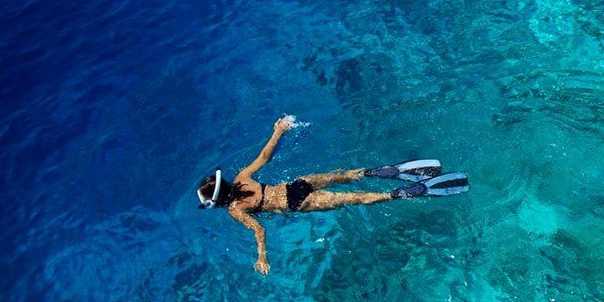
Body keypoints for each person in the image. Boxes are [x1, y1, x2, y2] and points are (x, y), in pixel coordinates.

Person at [196, 116, 468, 276]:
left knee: (354, 199)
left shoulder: (235, 210)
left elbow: (259, 230)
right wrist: (278, 130)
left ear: (217, 201)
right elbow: (265, 156)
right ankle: (377, 172)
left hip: (295, 202)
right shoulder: (243, 177)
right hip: (297, 185)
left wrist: (261, 257)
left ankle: (397, 194)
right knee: (348, 175)